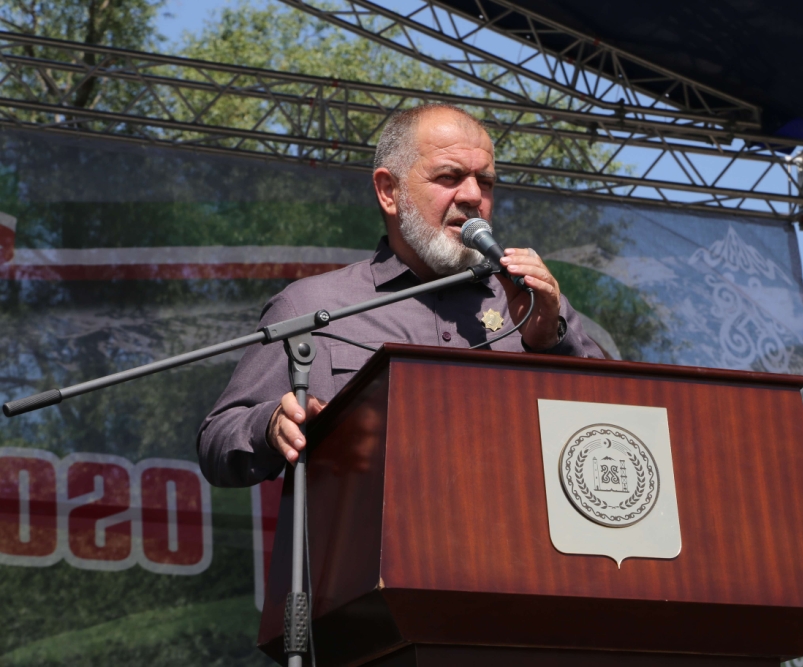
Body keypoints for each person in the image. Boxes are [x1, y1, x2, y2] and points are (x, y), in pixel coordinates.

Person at [197, 104, 603, 487]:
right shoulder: (311, 306)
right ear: (389, 191)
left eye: (486, 182)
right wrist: (271, 426)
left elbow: (615, 426)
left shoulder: (531, 303)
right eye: (449, 177)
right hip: (362, 536)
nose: (473, 196)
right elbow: (217, 440)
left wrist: (550, 340)